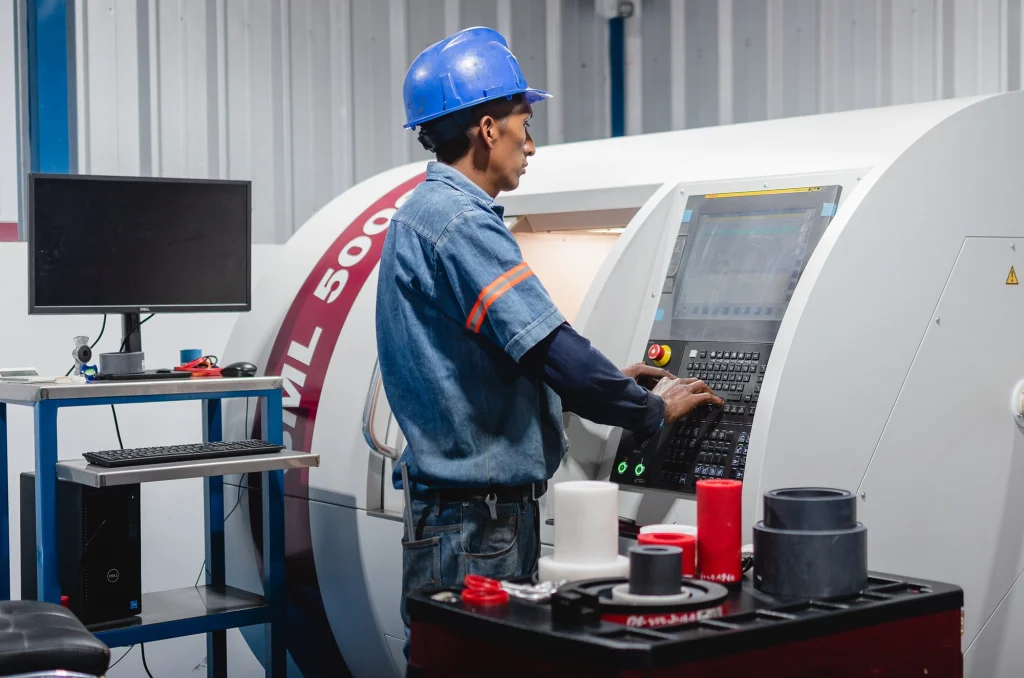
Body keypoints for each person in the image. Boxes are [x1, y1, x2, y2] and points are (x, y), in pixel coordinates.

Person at [375, 27, 723, 657]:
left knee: (446, 661)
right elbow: (554, 351)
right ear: (488, 129)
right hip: (479, 525)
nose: (531, 144)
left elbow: (475, 369)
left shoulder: (419, 214)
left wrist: (606, 381)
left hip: (453, 515)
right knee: (481, 665)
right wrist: (649, 409)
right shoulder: (461, 224)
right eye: (524, 124)